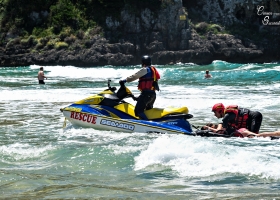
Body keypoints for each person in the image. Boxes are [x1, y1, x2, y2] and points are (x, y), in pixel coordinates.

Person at [119, 55, 160, 120]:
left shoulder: (145, 69)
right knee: (147, 111)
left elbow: (134, 76)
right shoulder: (153, 70)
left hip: (146, 95)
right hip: (152, 95)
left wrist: (124, 80)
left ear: (143, 62)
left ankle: (148, 124)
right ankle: (152, 122)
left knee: (138, 111)